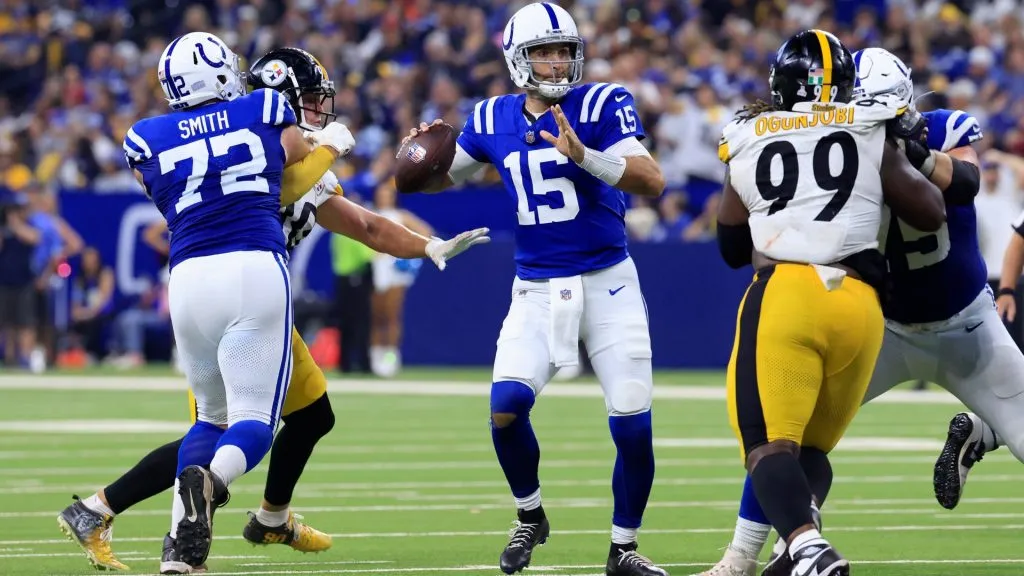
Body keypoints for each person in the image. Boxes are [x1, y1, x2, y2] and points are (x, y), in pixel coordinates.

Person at [58, 45, 487, 573]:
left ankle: (269, 519)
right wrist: (326, 148)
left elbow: (366, 225)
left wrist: (428, 246)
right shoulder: (264, 134)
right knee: (225, 429)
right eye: (305, 100)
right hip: (252, 285)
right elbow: (280, 182)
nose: (313, 111)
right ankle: (158, 535)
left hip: (203, 288)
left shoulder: (173, 138)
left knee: (307, 417)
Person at [694, 45, 1008, 576]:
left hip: (789, 293)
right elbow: (933, 211)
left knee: (767, 443)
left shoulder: (747, 133)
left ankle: (805, 548)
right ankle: (785, 554)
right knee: (811, 447)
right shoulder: (870, 126)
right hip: (862, 308)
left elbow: (728, 245)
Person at [403, 3, 667, 574]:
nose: (556, 62)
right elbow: (446, 178)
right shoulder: (493, 115)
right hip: (537, 287)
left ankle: (624, 548)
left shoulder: (601, 103)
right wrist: (419, 158)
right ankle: (530, 514)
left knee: (632, 420)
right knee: (505, 407)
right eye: (543, 51)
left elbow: (652, 180)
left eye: (563, 50)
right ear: (517, 58)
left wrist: (585, 156)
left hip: (607, 282)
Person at [79, 32, 354, 574]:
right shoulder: (265, 108)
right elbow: (292, 174)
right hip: (251, 266)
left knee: (210, 418)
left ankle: (178, 556)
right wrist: (335, 145)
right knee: (254, 422)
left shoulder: (145, 137)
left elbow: (167, 188)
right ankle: (213, 483)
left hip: (186, 279)